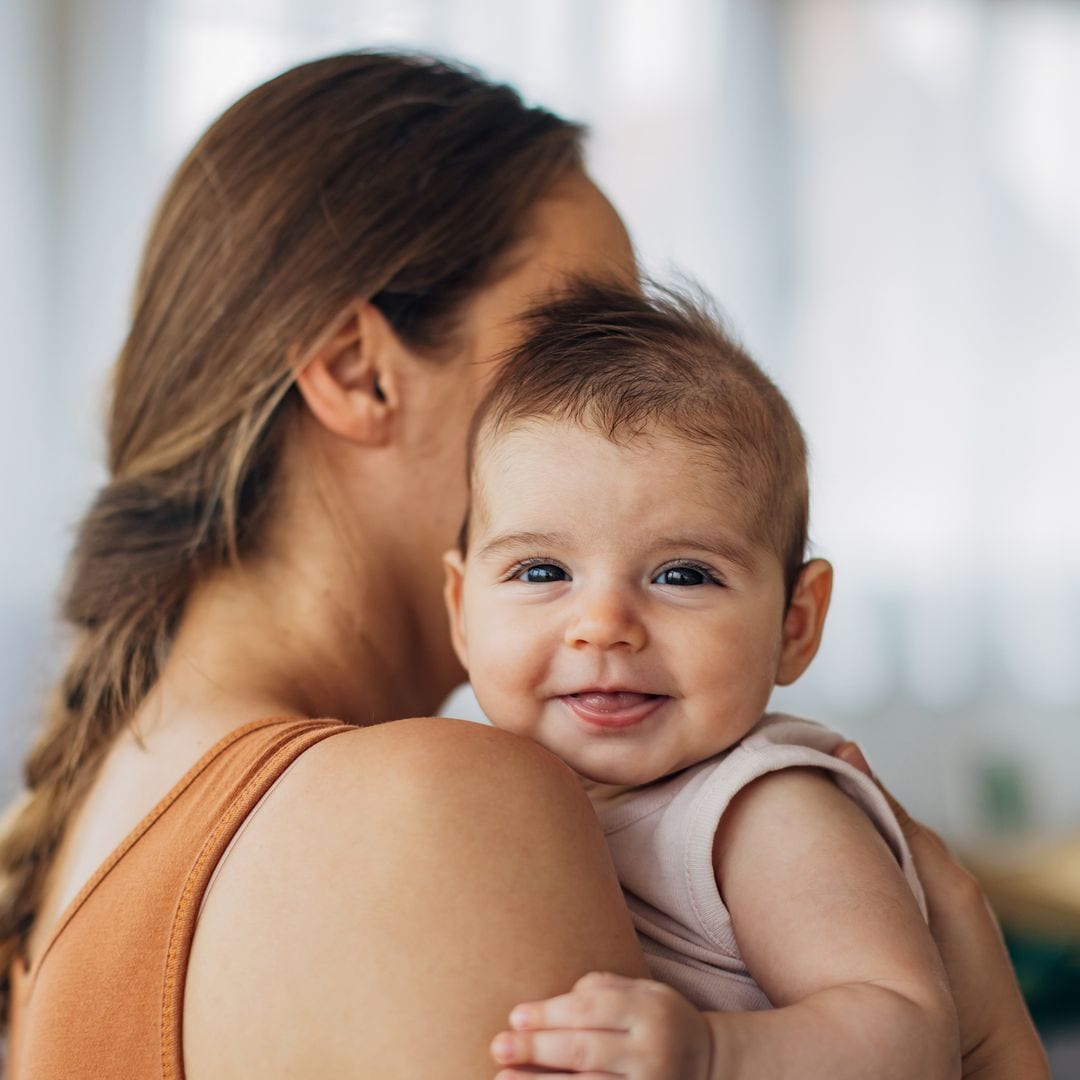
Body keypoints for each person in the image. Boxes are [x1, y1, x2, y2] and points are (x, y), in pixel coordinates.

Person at [0, 51, 1045, 1079]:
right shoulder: (444, 811)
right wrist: (995, 1046)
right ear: (360, 373)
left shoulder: (97, 825)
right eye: (574, 343)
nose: (643, 400)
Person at [442, 281, 960, 1077]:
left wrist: (718, 1052)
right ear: (462, 610)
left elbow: (910, 1036)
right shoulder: (473, 786)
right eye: (542, 568)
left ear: (795, 623)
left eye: (683, 575)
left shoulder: (759, 807)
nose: (605, 622)